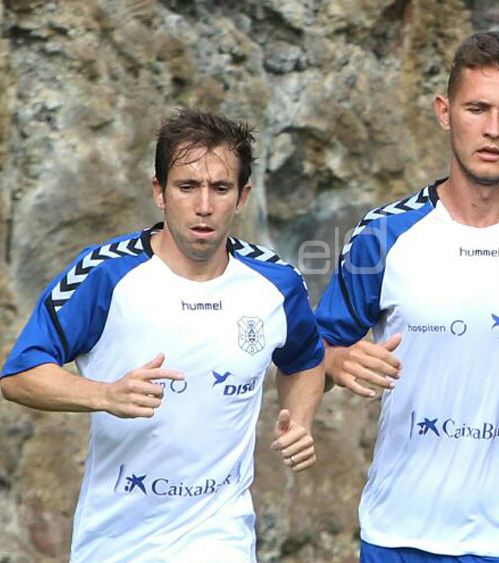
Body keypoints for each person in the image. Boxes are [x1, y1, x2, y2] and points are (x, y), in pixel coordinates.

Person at [315, 31, 499, 562]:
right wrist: (337, 362)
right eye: (477, 108)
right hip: (400, 534)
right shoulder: (384, 236)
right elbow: (307, 355)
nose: (493, 129)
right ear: (444, 112)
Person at [0, 109, 325, 562]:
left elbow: (305, 359)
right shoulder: (105, 275)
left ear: (243, 196)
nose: (204, 205)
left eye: (220, 188)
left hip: (220, 538)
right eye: (187, 187)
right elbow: (19, 374)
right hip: (117, 544)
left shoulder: (277, 284)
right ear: (160, 192)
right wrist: (104, 394)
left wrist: (300, 421)